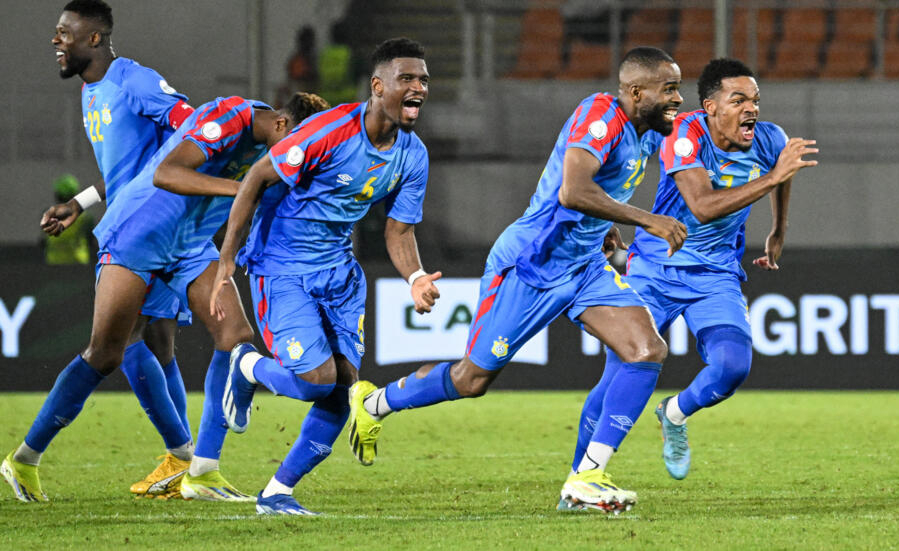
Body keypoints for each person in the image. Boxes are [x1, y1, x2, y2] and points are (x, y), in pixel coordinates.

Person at [347, 46, 686, 514]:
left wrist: (607, 226)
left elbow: (599, 190)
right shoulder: (600, 116)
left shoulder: (645, 134)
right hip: (531, 265)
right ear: (636, 92)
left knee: (645, 350)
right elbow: (573, 190)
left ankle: (585, 479)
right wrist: (648, 220)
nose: (678, 98)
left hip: (584, 266)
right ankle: (375, 404)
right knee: (471, 380)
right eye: (669, 89)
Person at [3, 84, 327, 503]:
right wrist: (243, 190)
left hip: (188, 244)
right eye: (297, 146)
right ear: (281, 123)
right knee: (106, 354)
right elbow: (165, 173)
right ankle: (25, 459)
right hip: (140, 232)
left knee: (235, 336)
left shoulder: (273, 149)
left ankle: (202, 472)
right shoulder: (229, 116)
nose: (293, 161)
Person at [212, 38, 439, 516]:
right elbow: (257, 178)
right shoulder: (330, 130)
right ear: (378, 86)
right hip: (283, 268)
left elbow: (399, 230)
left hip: (339, 272)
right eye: (407, 78)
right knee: (317, 380)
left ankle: (277, 492)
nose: (418, 87)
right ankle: (248, 367)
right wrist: (227, 259)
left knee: (344, 387)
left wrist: (416, 276)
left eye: (423, 80)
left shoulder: (413, 155)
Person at [1, 0, 198, 502]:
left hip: (160, 229)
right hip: (134, 232)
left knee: (154, 344)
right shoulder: (92, 93)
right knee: (120, 347)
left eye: (64, 32)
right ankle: (184, 458)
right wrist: (80, 203)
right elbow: (125, 171)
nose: (55, 40)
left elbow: (197, 127)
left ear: (94, 38)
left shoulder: (135, 81)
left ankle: (184, 464)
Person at [588, 58, 817, 482]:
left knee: (732, 366)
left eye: (755, 100)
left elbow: (781, 175)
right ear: (711, 107)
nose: (752, 109)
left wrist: (779, 229)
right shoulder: (683, 134)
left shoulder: (770, 139)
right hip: (655, 268)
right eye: (739, 100)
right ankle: (584, 478)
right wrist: (773, 178)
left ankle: (674, 413)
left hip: (715, 275)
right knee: (618, 377)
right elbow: (703, 206)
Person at [43, 174, 96, 265]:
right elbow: (91, 240)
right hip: (78, 263)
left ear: (57, 195)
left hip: (54, 263)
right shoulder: (85, 217)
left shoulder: (48, 216)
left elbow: (44, 241)